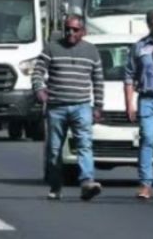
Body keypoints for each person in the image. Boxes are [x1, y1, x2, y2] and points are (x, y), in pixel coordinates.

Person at [33, 13, 105, 201]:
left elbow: (98, 80)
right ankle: (56, 185)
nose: (70, 33)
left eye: (75, 29)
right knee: (54, 150)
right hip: (56, 107)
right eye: (67, 29)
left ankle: (87, 182)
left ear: (83, 31)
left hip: (81, 106)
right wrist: (39, 89)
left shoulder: (91, 51)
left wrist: (98, 106)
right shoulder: (52, 48)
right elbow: (38, 72)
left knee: (84, 145)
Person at [124, 9, 153, 199]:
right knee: (148, 139)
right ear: (150, 24)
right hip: (148, 99)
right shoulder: (140, 46)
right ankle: (145, 183)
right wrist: (129, 103)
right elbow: (129, 76)